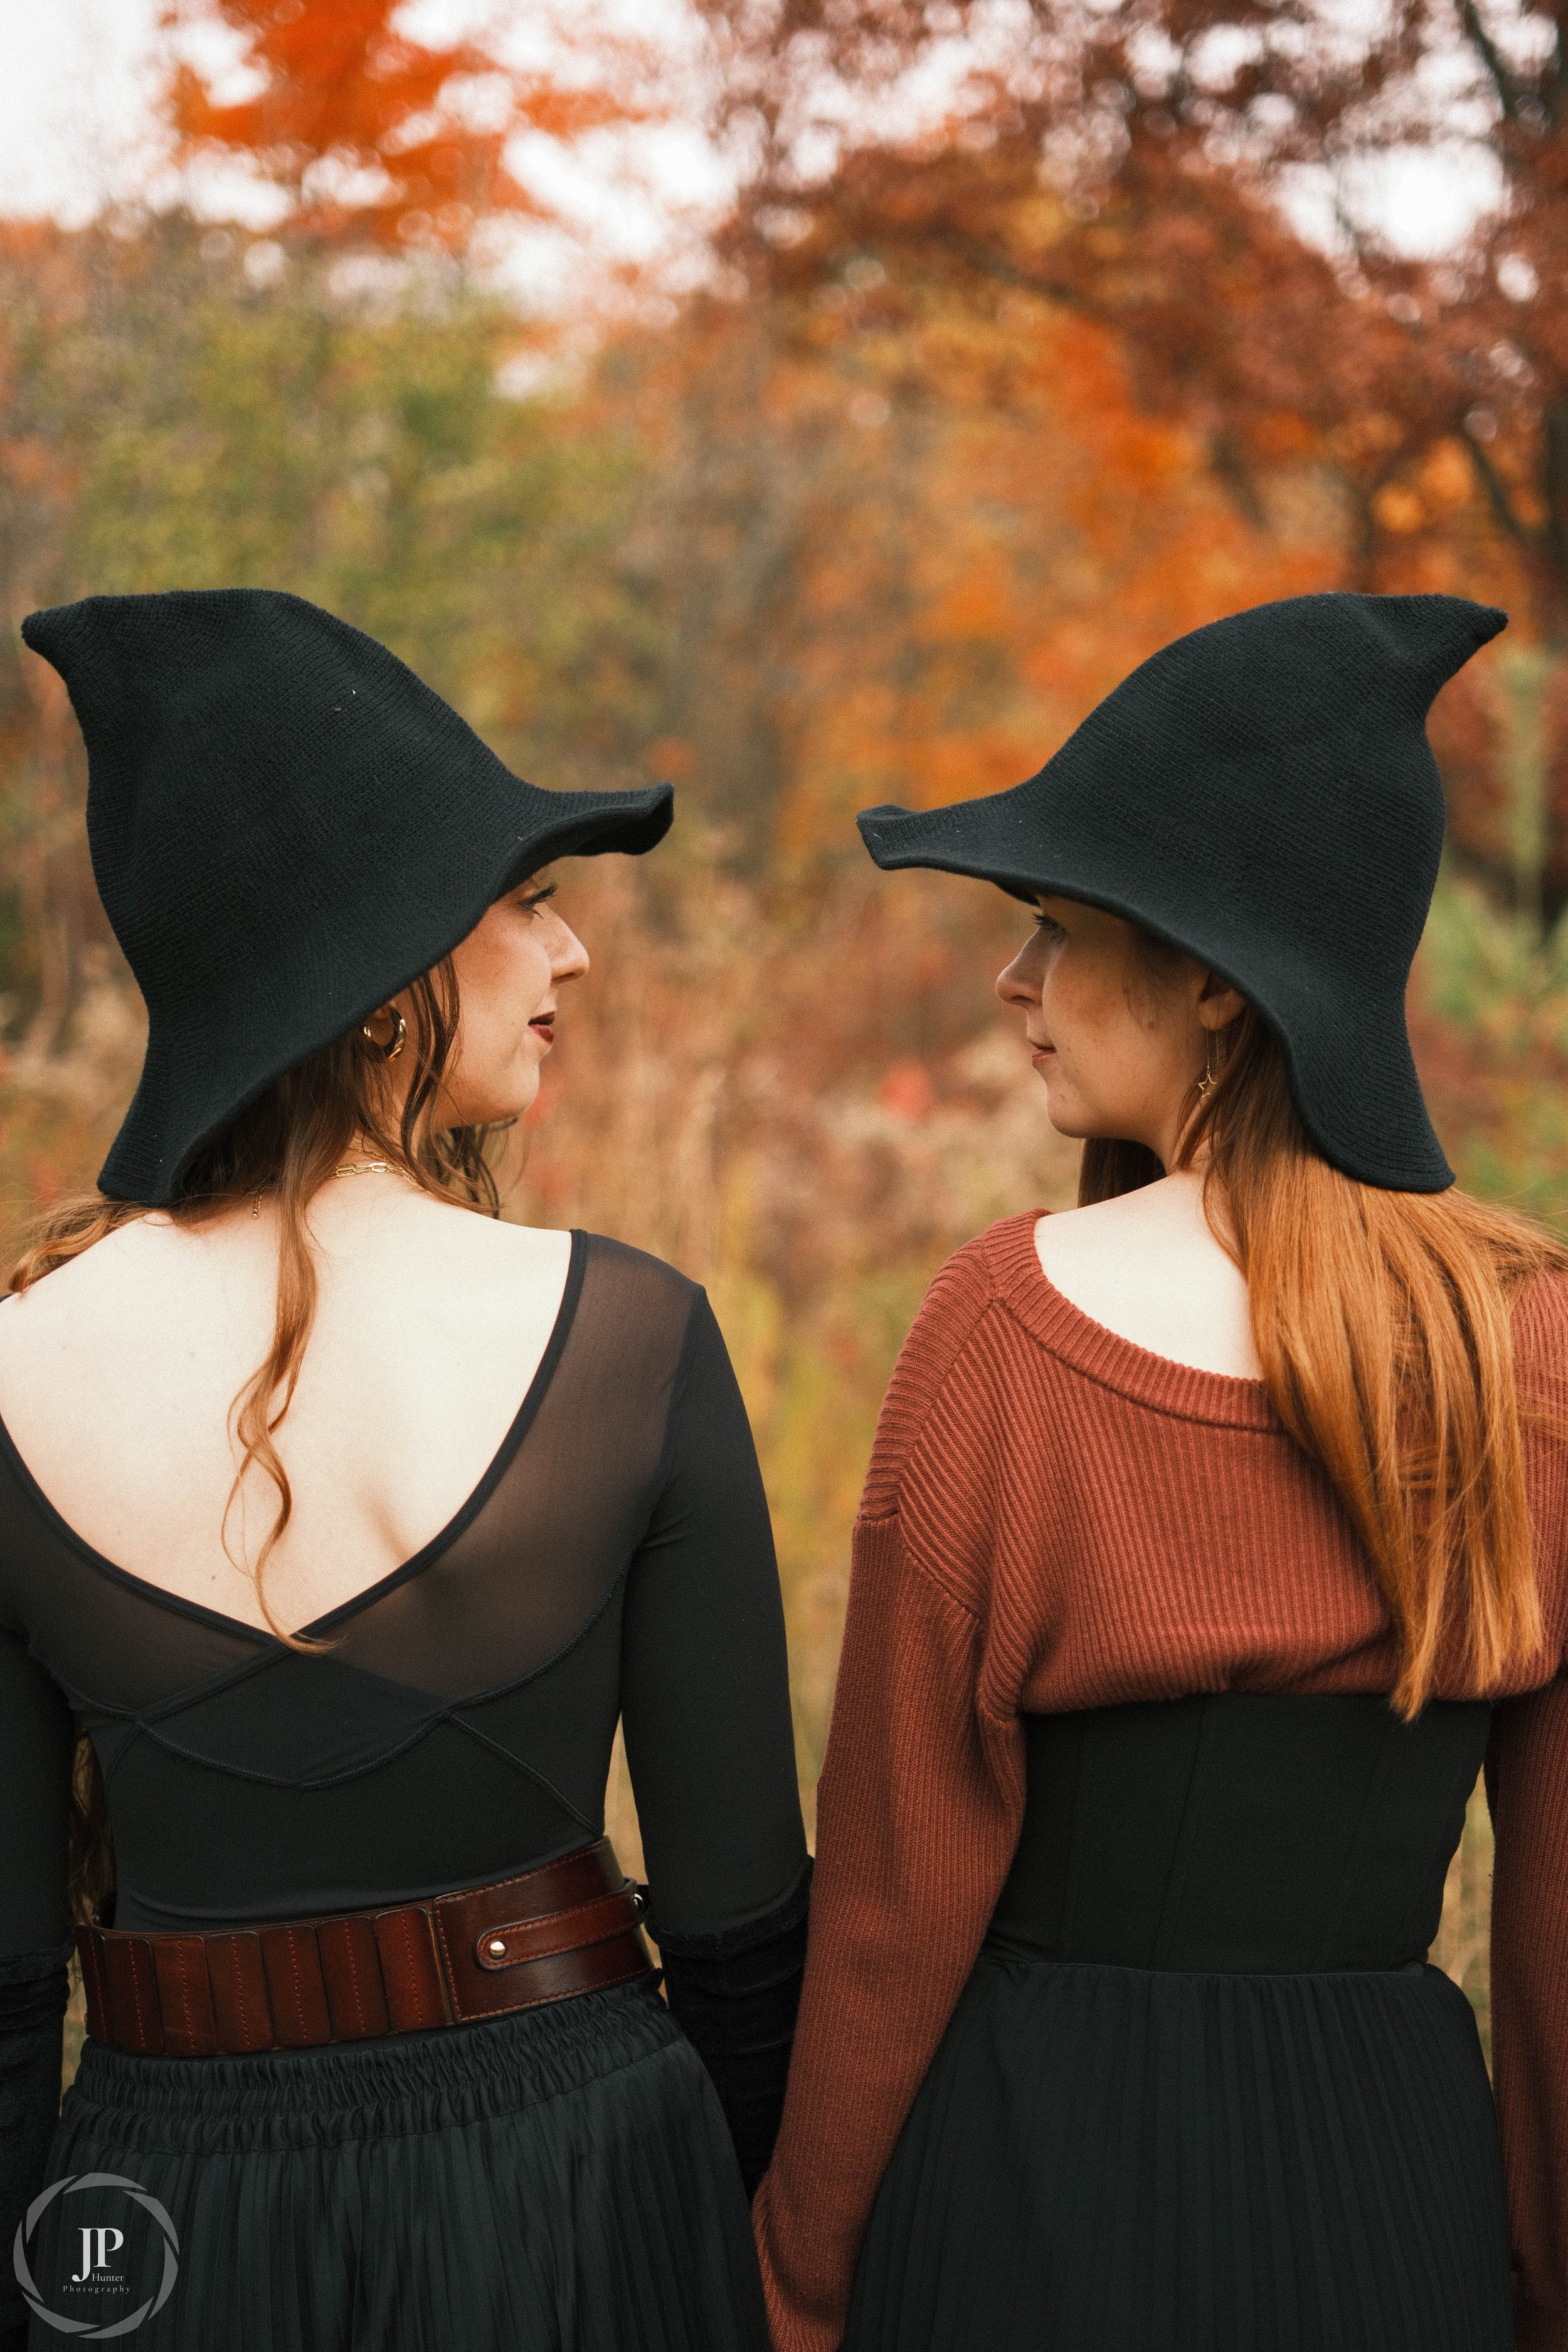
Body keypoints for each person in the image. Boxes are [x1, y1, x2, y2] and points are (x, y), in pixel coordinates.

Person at [753, 591, 1568, 2352]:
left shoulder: (1003, 1325)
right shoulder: (1530, 1347)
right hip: (1385, 2187)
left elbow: (897, 1894)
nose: (1011, 979)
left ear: (1214, 977)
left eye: (1055, 927)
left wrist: (801, 2272)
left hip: (1040, 2174)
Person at [0, 588, 810, 2352]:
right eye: (524, 899)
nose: (573, 951)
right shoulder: (629, 1341)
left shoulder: (12, 1378)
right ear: (379, 965)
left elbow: (3, 1985)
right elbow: (743, 1933)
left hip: (155, 2222)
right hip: (579, 2181)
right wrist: (716, 2243)